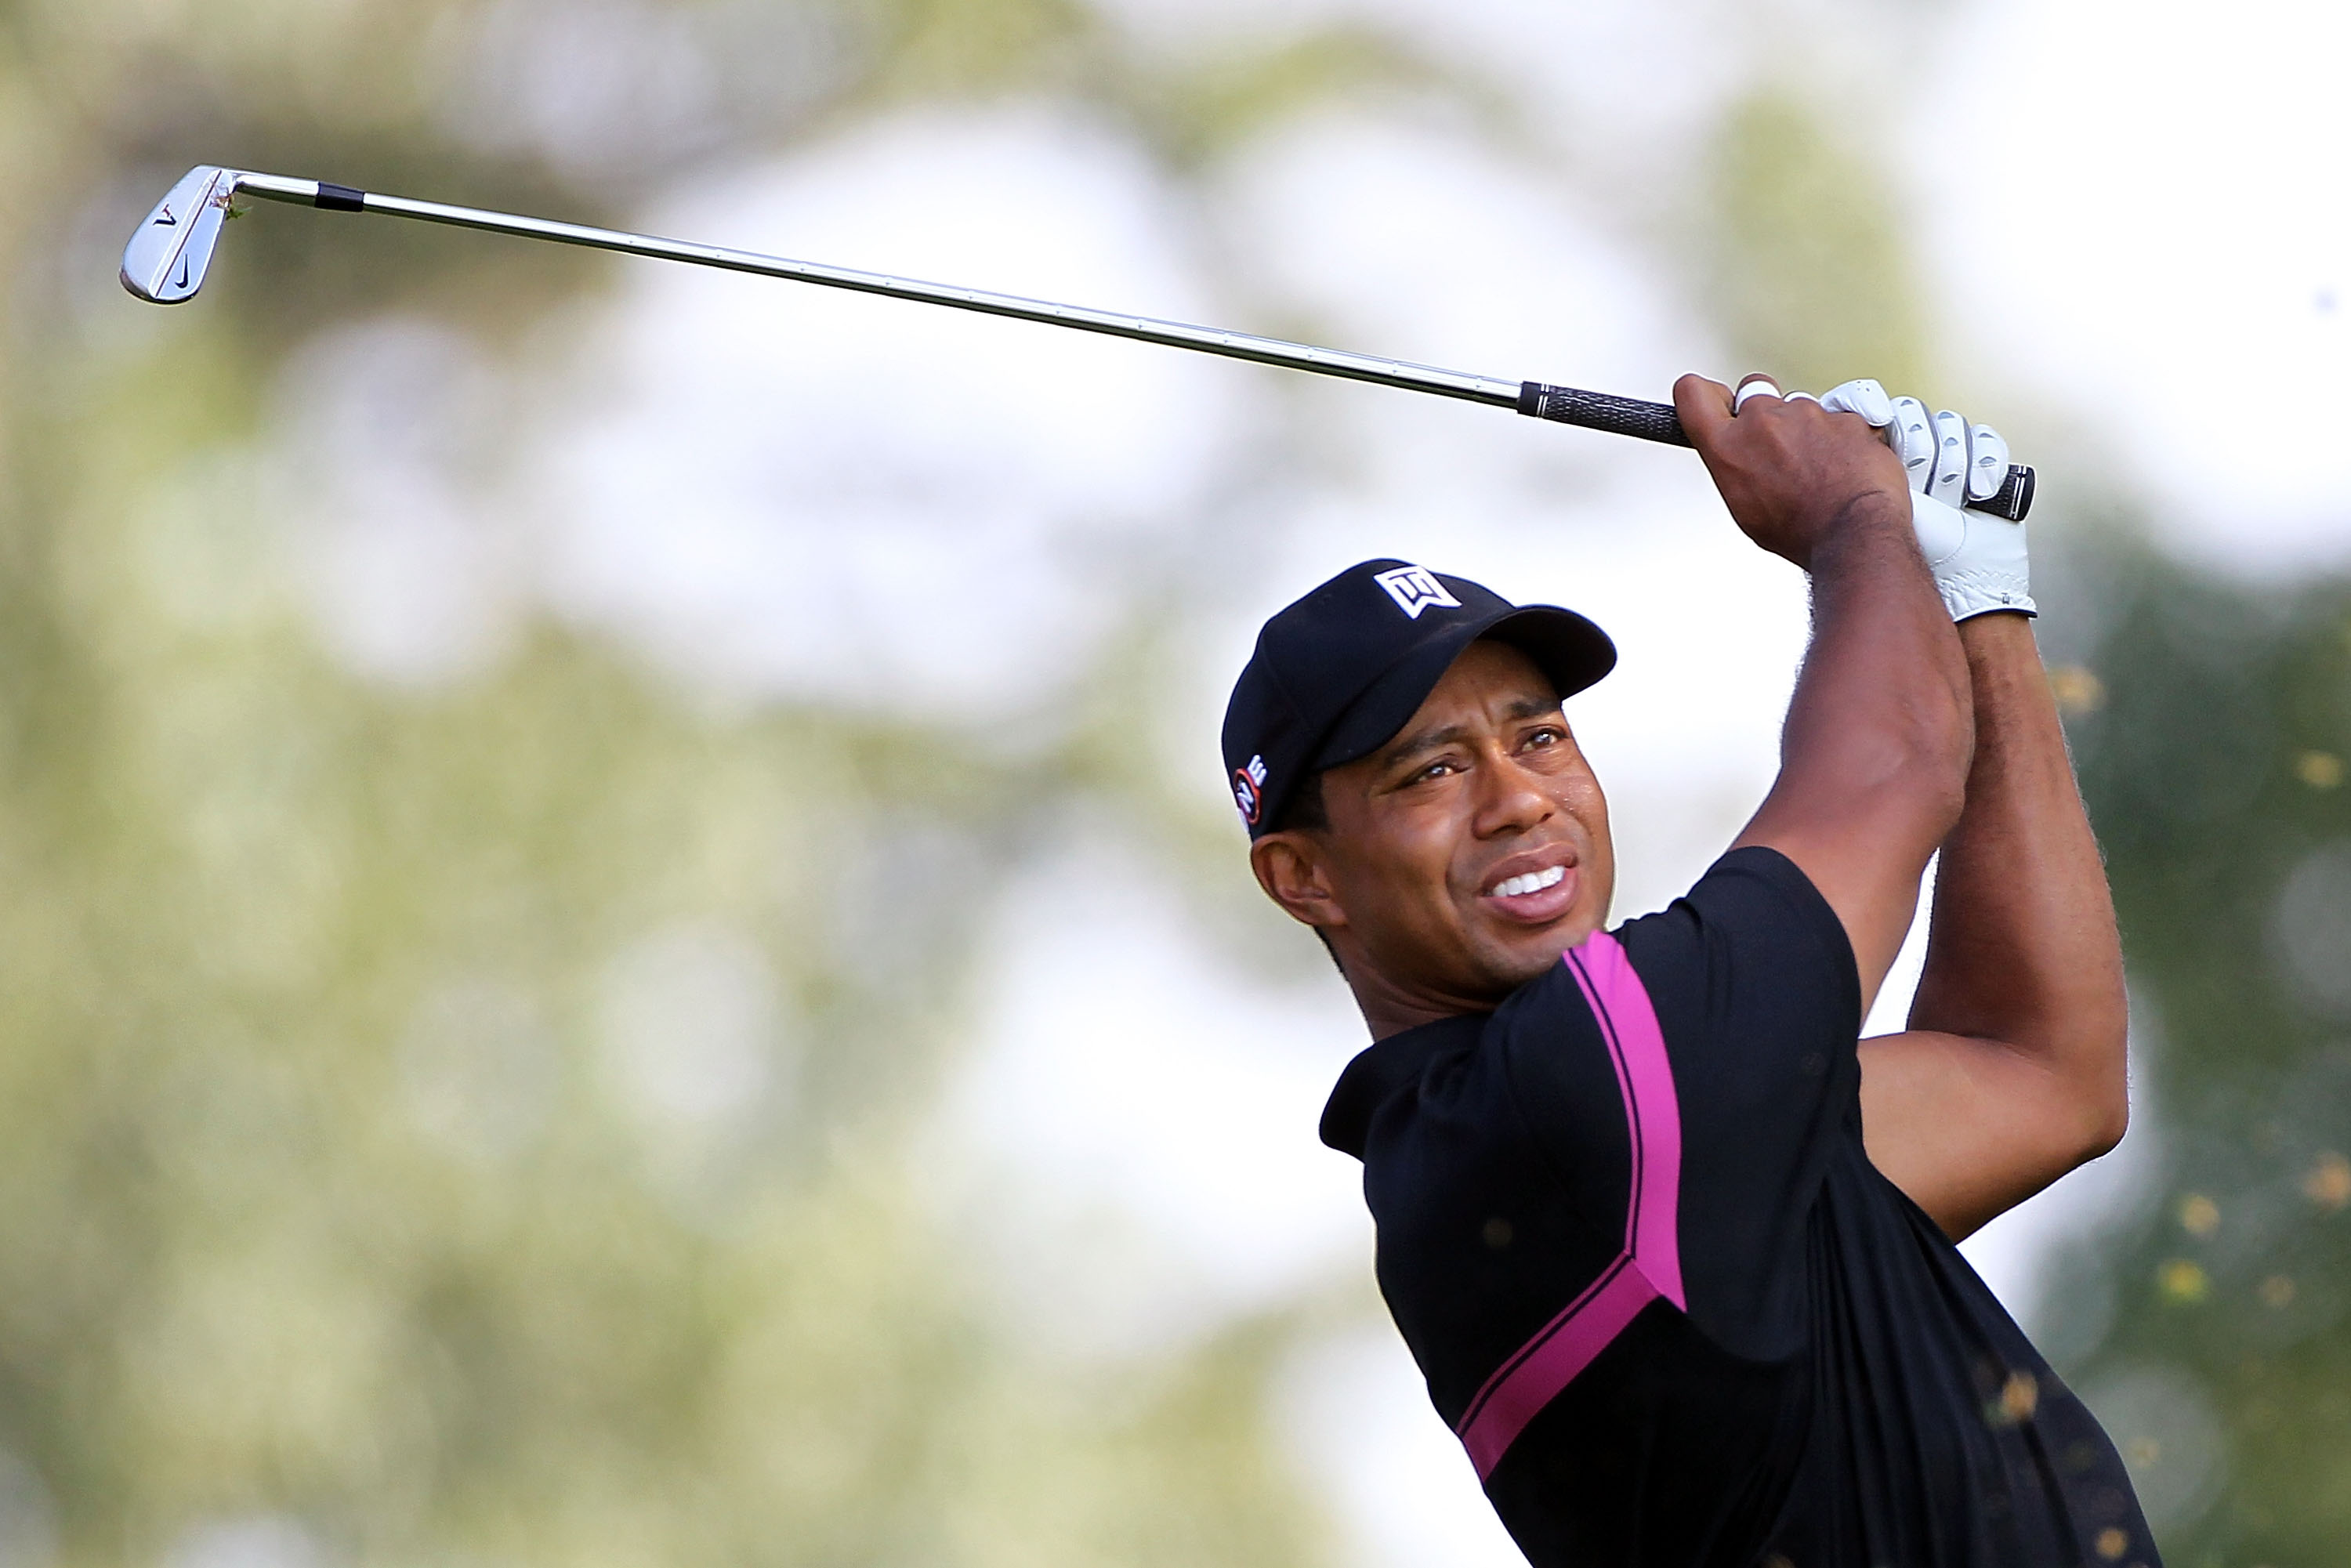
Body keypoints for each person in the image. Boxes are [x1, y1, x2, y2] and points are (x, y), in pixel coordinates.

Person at [1219, 372, 2153, 1567]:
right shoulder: (1568, 1102)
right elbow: (1896, 770)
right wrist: (1856, 519)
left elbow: (2040, 1070)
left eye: (1539, 734)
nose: (1519, 800)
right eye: (1430, 772)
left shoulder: (1612, 1140)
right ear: (1306, 877)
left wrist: (1975, 598)